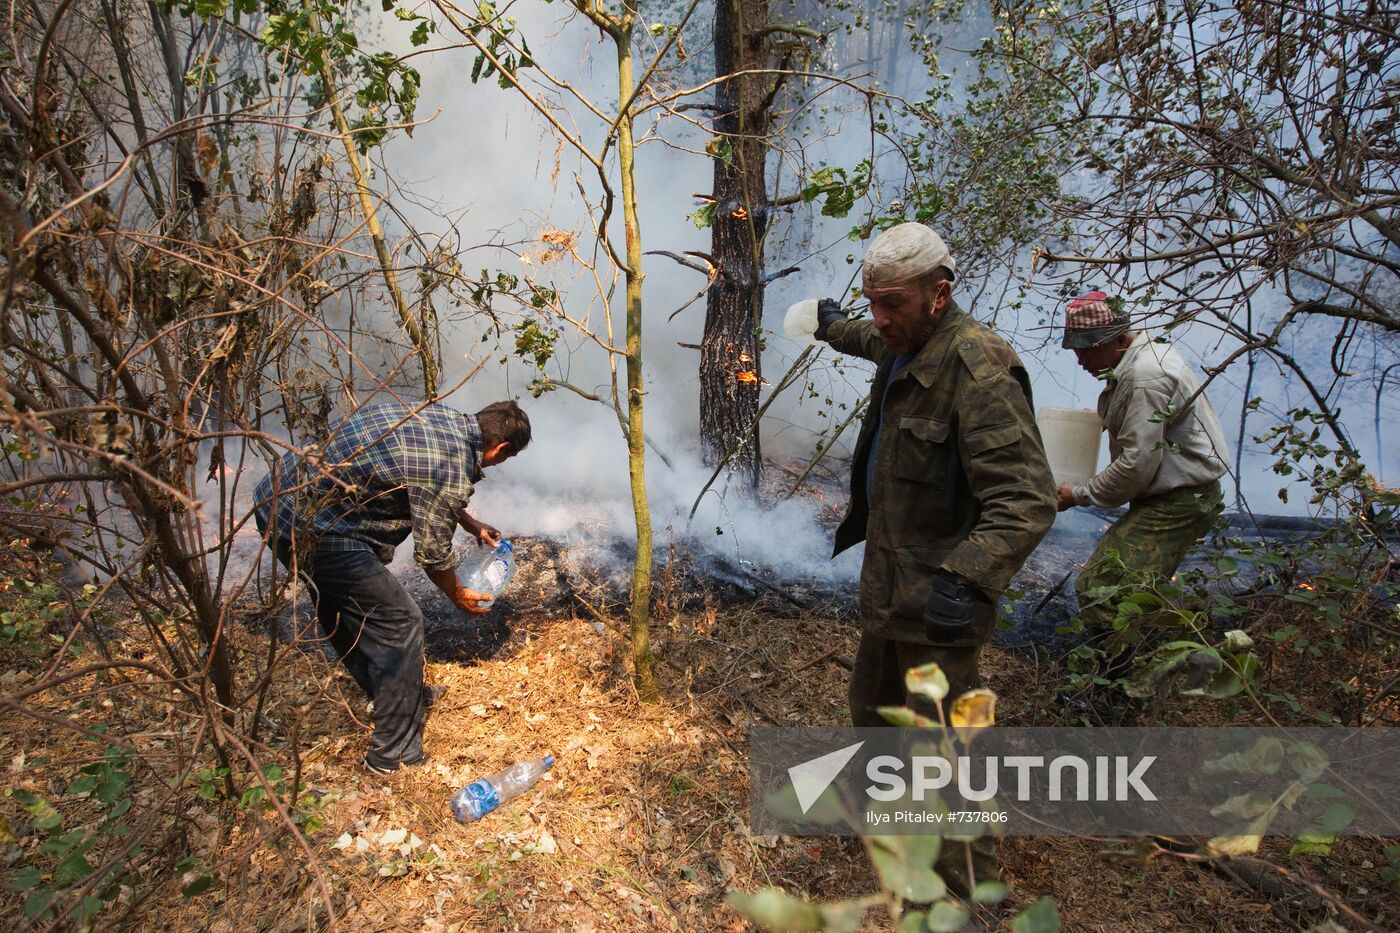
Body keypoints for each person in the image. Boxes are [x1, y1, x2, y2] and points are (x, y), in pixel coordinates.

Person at [816, 223, 1056, 726]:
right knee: (874, 720)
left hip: (936, 608)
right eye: (871, 302)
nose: (879, 319)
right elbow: (865, 335)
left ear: (938, 295)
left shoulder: (977, 369)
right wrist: (833, 326)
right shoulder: (903, 339)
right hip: (888, 596)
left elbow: (1026, 499)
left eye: (893, 303)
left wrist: (964, 581)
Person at [253, 399, 530, 774]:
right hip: (314, 525)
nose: (498, 464)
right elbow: (432, 554)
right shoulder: (450, 465)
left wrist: (469, 524)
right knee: (401, 622)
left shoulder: (440, 416)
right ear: (500, 449)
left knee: (343, 605)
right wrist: (458, 594)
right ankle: (392, 755)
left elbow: (422, 481)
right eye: (505, 459)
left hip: (278, 499)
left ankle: (399, 697)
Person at [1055, 291, 1229, 665]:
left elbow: (1136, 466)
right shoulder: (1138, 361)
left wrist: (1078, 494)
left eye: (1089, 348)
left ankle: (1126, 680)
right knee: (1137, 590)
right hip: (1176, 494)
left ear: (1119, 337)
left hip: (1180, 500)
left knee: (1102, 587)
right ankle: (1169, 662)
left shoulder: (1147, 375)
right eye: (1076, 349)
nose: (1081, 359)